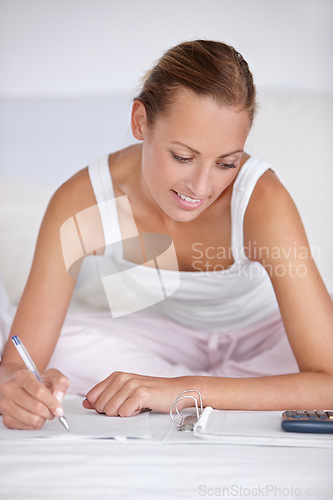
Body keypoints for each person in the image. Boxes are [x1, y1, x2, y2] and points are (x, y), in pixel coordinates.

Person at [0, 40, 332, 430]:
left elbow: (327, 379)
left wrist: (177, 390)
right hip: (160, 342)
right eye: (183, 157)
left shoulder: (260, 200)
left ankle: (176, 386)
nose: (202, 187)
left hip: (267, 344)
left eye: (227, 163)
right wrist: (18, 387)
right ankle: (198, 387)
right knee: (59, 345)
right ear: (141, 121)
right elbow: (17, 365)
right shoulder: (84, 201)